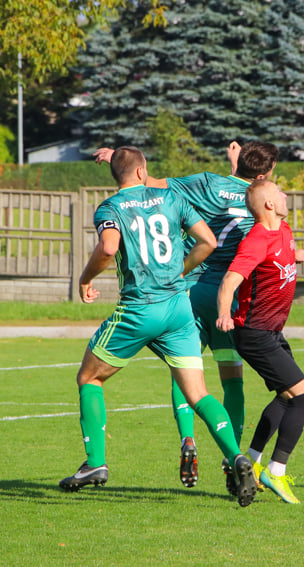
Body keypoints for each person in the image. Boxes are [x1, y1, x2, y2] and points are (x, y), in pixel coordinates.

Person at [59, 146, 258, 507]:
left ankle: (95, 463)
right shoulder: (169, 198)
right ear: (141, 171)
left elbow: (107, 248)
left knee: (89, 378)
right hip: (178, 308)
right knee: (199, 394)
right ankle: (236, 457)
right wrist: (179, 271)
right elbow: (208, 242)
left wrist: (85, 278)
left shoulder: (110, 207)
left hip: (140, 308)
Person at [216, 179, 304, 504]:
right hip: (255, 333)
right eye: (279, 192)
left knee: (287, 399)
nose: (285, 194)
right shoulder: (256, 240)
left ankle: (253, 463)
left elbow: (281, 257)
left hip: (272, 331)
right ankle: (277, 470)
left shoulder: (283, 231)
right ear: (269, 205)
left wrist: (294, 255)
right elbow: (230, 280)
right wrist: (223, 313)